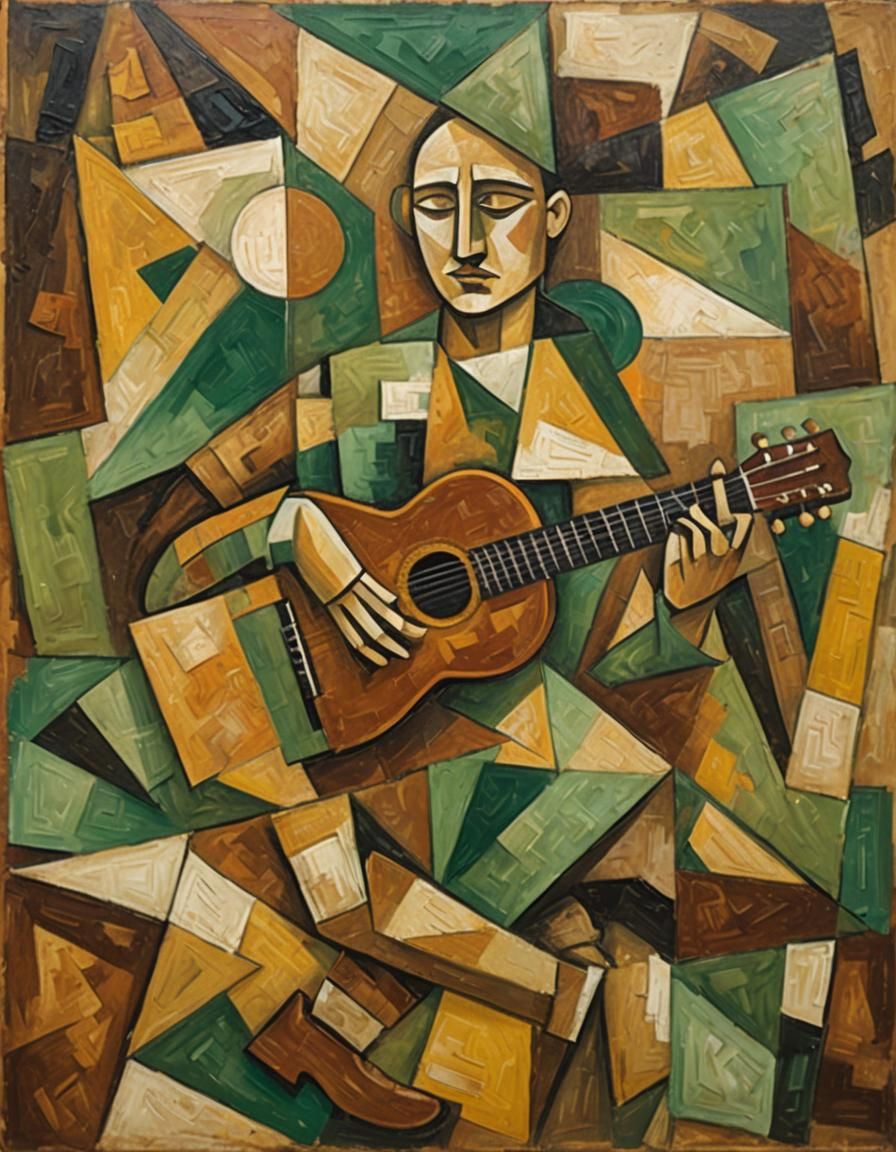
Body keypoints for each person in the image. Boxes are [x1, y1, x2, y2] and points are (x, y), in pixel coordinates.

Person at [137, 114, 763, 1133]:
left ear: (553, 217)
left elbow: (598, 657)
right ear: (404, 216)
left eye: (500, 204)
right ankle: (479, 999)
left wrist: (681, 606)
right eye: (436, 205)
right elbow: (168, 570)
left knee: (575, 805)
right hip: (299, 720)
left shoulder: (588, 414)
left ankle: (331, 1025)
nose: (466, 240)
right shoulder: (350, 387)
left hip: (455, 735)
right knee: (410, 891)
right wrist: (291, 526)